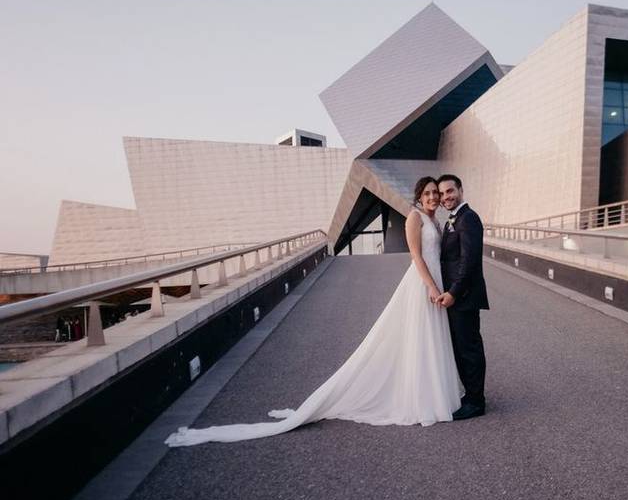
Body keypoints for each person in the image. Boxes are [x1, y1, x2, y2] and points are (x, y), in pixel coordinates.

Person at [165, 177, 465, 446]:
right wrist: (430, 286)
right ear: (418, 196)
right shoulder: (414, 218)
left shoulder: (435, 221)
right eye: (428, 193)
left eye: (436, 193)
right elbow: (415, 256)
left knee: (431, 338)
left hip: (436, 281)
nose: (433, 197)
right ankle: (422, 396)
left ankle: (434, 391)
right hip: (422, 284)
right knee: (416, 337)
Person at [436, 174, 489, 420]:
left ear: (460, 190)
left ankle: (477, 402)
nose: (446, 197)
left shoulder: (469, 218)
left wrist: (454, 293)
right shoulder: (453, 219)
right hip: (456, 296)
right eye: (443, 193)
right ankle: (470, 394)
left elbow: (469, 262)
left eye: (450, 191)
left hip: (464, 296)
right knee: (461, 346)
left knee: (469, 348)